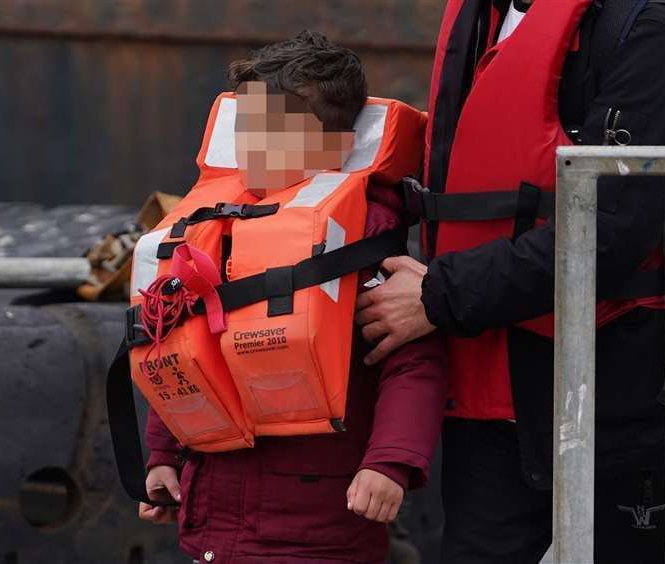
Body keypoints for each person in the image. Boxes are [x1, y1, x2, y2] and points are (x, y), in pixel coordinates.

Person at [356, 1, 665, 562]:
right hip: (478, 388)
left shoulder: (648, 27)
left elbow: (614, 227)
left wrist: (438, 294)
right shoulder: (479, 17)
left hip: (609, 390)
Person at [136, 31, 447, 564]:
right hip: (213, 512)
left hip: (321, 523)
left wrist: (389, 464)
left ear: (336, 147)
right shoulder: (215, 231)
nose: (254, 148)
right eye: (247, 129)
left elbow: (414, 362)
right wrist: (164, 456)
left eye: (275, 132)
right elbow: (182, 343)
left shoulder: (359, 245)